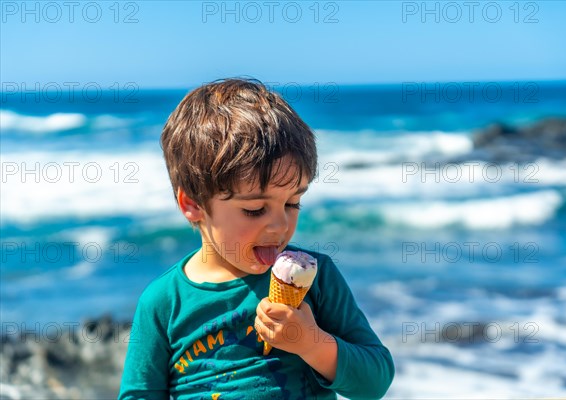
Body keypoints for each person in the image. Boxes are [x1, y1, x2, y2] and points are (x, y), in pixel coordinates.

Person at [118, 78, 394, 399]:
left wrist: (312, 343)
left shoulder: (317, 279)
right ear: (192, 205)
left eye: (292, 203)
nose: (280, 225)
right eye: (254, 209)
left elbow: (376, 380)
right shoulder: (163, 302)